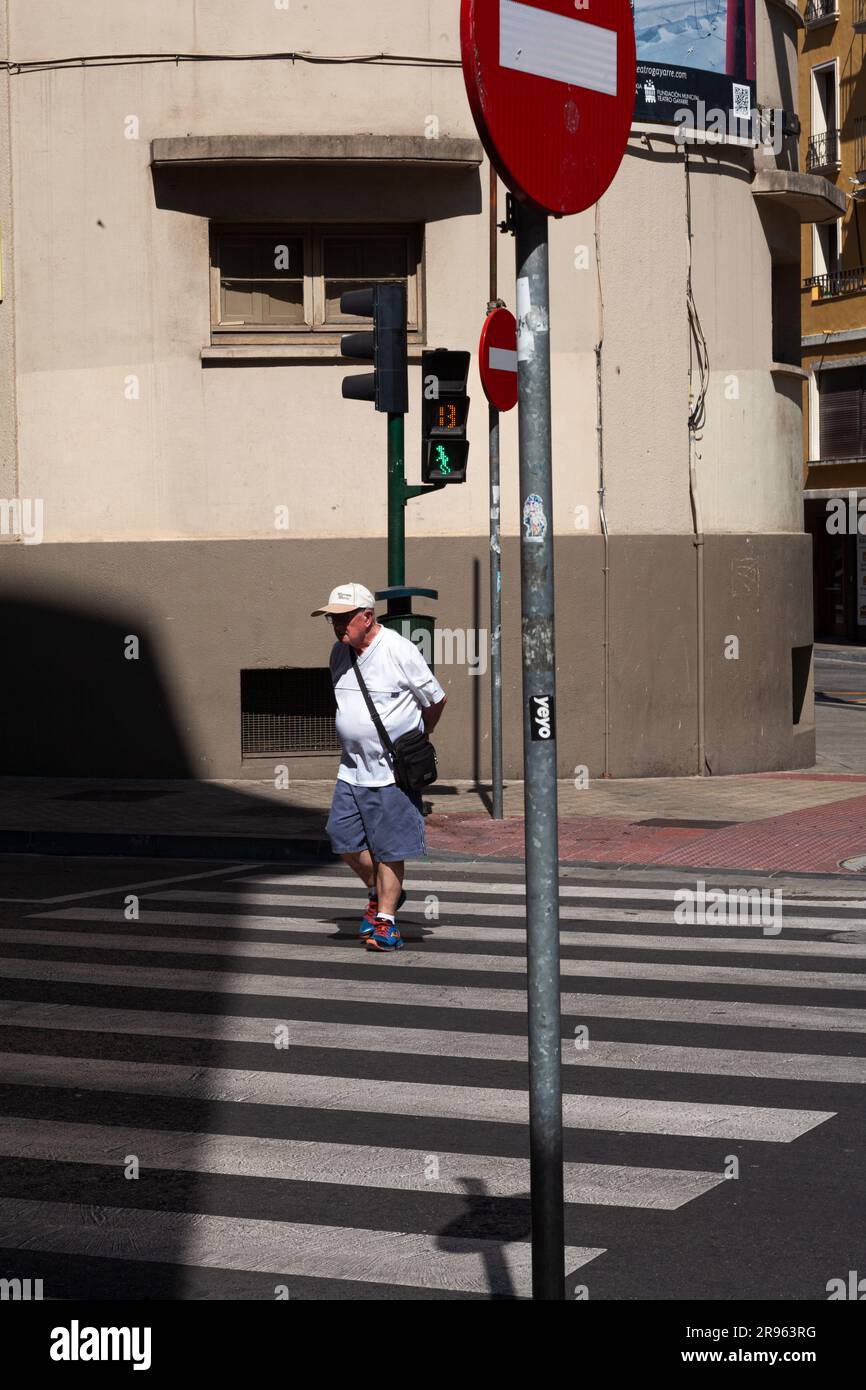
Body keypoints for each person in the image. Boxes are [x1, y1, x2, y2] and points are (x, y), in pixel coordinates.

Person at [311, 582, 447, 952]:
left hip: (391, 771)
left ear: (366, 616)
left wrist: (421, 732)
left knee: (389, 848)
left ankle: (386, 922)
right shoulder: (339, 655)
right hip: (352, 768)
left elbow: (435, 698)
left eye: (343, 618)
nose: (337, 626)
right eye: (332, 620)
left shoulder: (398, 651)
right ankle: (384, 891)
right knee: (341, 838)